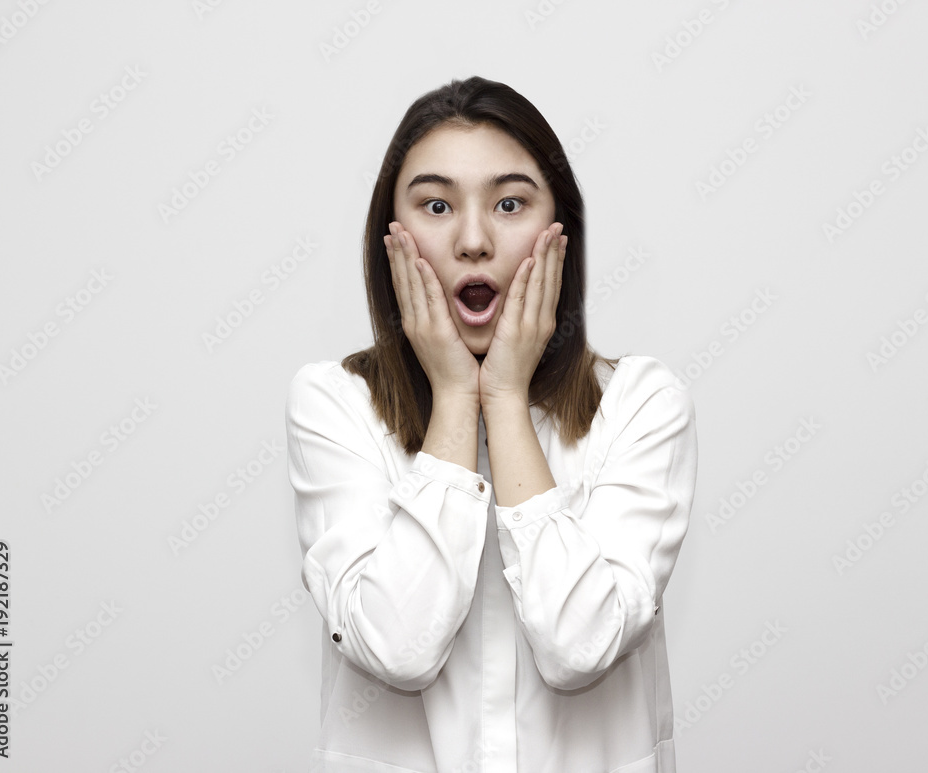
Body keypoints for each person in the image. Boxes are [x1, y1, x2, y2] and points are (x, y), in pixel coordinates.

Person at [286, 75, 698, 773]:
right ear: (390, 235)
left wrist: (503, 396)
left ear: (559, 231)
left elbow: (581, 646)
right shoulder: (335, 402)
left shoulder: (640, 403)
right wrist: (455, 397)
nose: (473, 240)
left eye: (509, 203)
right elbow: (396, 648)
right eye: (437, 205)